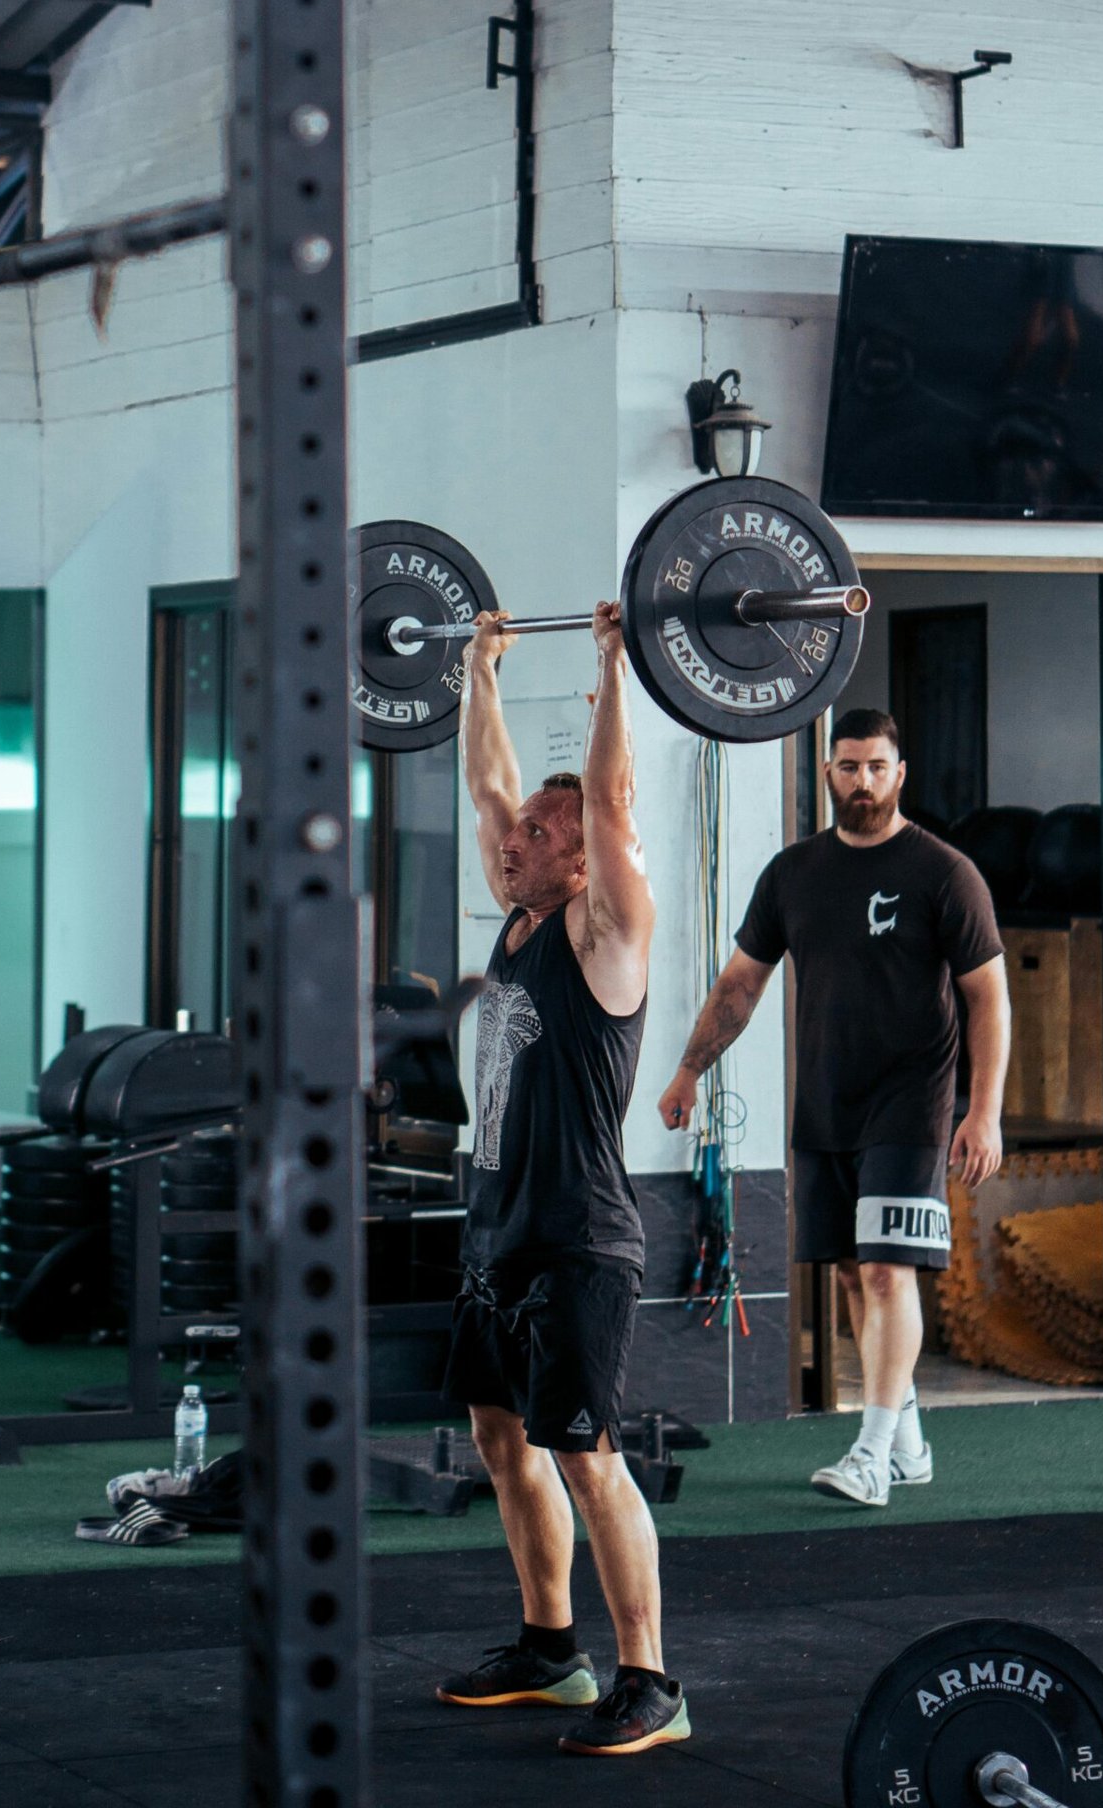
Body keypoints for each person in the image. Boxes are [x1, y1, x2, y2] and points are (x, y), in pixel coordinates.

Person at [436, 601, 690, 1756]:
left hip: (580, 1240)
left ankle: (650, 1681)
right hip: (496, 1235)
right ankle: (551, 1650)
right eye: (519, 831)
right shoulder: (518, 919)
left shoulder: (604, 937)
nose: (512, 842)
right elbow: (488, 788)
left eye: (539, 834)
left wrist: (610, 665)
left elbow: (616, 807)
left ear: (583, 858)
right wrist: (477, 674)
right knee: (502, 1440)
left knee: (589, 1458)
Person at [658, 707, 1009, 1509]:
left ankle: (872, 1450)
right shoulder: (794, 873)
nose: (862, 782)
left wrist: (981, 1110)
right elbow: (740, 985)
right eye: (848, 767)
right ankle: (910, 1443)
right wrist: (687, 1072)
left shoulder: (944, 872)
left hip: (912, 1103)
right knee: (855, 1273)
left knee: (888, 1271)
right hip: (824, 1101)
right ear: (827, 771)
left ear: (900, 772)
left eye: (877, 767)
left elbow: (988, 995)